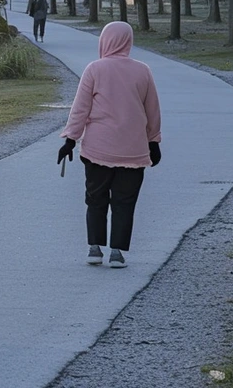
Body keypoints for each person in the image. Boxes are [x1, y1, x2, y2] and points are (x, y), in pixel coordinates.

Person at [57, 21, 162, 269]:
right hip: (133, 150)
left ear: (104, 40)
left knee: (96, 198)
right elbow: (152, 111)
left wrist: (70, 139)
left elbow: (80, 108)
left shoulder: (94, 69)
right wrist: (154, 140)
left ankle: (94, 248)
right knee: (125, 202)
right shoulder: (143, 71)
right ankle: (116, 252)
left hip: (97, 149)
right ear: (129, 41)